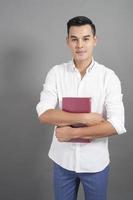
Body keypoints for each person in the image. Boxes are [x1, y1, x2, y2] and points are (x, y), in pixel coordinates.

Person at [36, 16, 126, 200]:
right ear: (67, 41)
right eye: (74, 39)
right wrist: (85, 118)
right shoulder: (56, 73)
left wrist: (73, 133)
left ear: (95, 40)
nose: (80, 45)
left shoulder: (108, 77)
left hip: (95, 164)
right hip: (62, 162)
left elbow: (117, 125)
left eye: (86, 38)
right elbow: (44, 114)